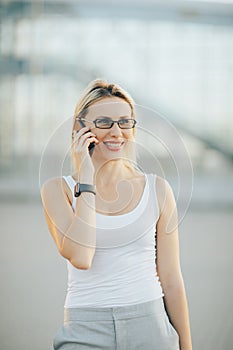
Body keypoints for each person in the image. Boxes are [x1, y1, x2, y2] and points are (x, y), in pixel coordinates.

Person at [41, 79, 193, 350]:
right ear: (80, 128)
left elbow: (171, 278)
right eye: (104, 122)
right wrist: (86, 176)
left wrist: (187, 345)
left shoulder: (157, 189)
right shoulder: (57, 190)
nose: (116, 132)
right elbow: (81, 256)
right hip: (84, 329)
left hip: (151, 325)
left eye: (125, 122)